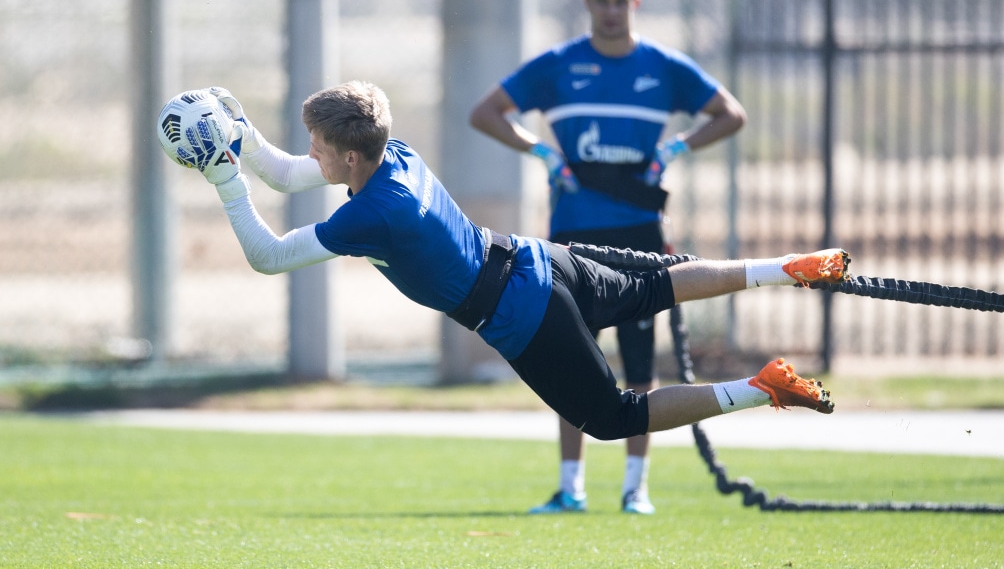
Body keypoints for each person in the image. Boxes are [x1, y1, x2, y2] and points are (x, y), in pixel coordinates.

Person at [159, 82, 847, 514]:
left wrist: (225, 180)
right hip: (535, 257)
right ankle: (785, 267)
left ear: (344, 159)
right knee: (657, 286)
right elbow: (283, 174)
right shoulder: (391, 154)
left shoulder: (366, 216)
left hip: (521, 313)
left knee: (611, 418)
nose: (308, 151)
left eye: (316, 143)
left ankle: (763, 388)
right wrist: (241, 136)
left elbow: (269, 256)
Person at [468, 0, 747, 514]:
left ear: (636, 4)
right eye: (603, 1)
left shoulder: (664, 67)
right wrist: (541, 150)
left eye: (623, 1)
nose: (613, 11)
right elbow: (487, 112)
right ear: (589, 4)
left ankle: (634, 488)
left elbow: (729, 114)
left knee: (640, 363)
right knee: (573, 358)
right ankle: (570, 487)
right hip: (573, 237)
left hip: (640, 235)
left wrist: (676, 147)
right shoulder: (558, 65)